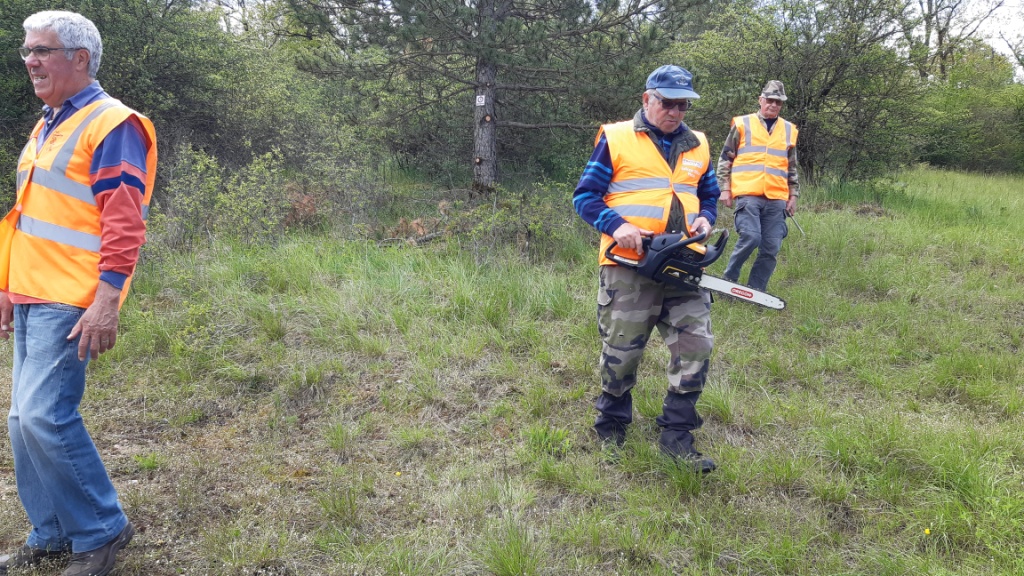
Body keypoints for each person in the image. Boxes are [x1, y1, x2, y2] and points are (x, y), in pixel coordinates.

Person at [0, 10, 157, 576]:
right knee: (22, 420)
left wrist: (107, 299)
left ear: (80, 59)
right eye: (26, 51)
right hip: (32, 290)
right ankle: (51, 532)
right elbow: (29, 214)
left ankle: (100, 528)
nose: (30, 61)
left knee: (46, 415)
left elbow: (124, 221)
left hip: (73, 294)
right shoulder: (50, 123)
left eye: (41, 50)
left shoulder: (112, 124)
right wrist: (7, 284)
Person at [573, 65, 720, 473]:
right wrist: (618, 227)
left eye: (682, 104)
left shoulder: (699, 144)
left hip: (685, 262)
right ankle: (612, 424)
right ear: (646, 99)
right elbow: (585, 197)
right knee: (622, 353)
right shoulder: (617, 138)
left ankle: (676, 435)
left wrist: (706, 219)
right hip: (630, 265)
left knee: (696, 346)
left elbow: (709, 195)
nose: (675, 111)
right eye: (667, 102)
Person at [718, 80, 800, 292]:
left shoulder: (789, 130)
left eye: (778, 102)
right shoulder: (743, 124)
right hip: (748, 194)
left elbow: (791, 167)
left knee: (771, 247)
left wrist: (794, 196)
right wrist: (725, 188)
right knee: (751, 237)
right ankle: (728, 281)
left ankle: (756, 291)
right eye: (770, 100)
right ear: (761, 100)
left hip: (777, 197)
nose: (773, 105)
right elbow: (725, 158)